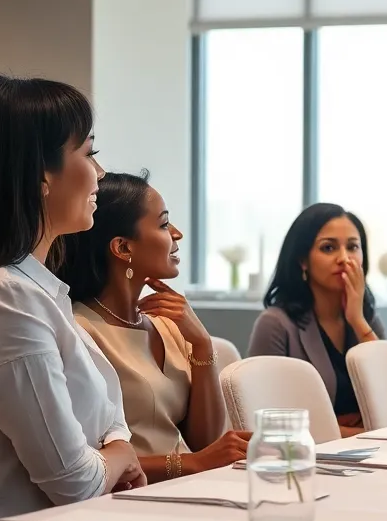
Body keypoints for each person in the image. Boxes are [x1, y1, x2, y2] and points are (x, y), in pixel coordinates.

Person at [0, 75, 145, 521]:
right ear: (40, 174)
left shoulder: (28, 286)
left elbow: (108, 421)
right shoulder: (1, 299)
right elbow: (75, 482)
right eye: (89, 153)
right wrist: (119, 454)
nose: (99, 173)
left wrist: (114, 447)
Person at [52, 171, 251, 482]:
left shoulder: (168, 326)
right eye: (163, 224)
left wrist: (202, 345)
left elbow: (206, 443)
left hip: (188, 489)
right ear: (123, 248)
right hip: (131, 501)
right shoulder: (81, 331)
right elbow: (87, 462)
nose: (177, 234)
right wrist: (191, 464)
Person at [248, 204, 384, 436]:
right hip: (304, 457)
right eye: (329, 248)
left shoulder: (368, 320)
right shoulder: (275, 325)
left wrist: (358, 321)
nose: (344, 258)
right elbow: (264, 419)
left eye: (353, 247)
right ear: (302, 260)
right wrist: (365, 432)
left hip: (373, 451)